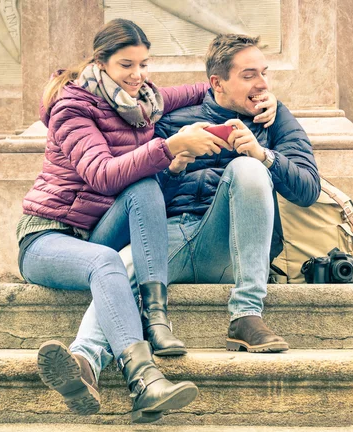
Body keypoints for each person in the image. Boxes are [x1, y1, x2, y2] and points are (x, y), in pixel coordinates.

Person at [17, 21, 277, 422]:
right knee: (108, 262)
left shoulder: (145, 100)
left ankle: (156, 318)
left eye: (143, 64)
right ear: (100, 63)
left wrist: (268, 100)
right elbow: (101, 174)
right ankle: (142, 379)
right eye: (126, 65)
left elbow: (208, 89)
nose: (137, 75)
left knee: (144, 189)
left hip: (97, 231)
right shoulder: (74, 108)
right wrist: (169, 146)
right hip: (50, 236)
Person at [68, 32, 321, 396]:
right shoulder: (174, 120)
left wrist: (264, 156)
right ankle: (85, 362)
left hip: (233, 246)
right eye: (249, 75)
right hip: (175, 239)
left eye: (264, 73)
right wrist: (174, 166)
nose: (262, 84)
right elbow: (143, 192)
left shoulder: (274, 119)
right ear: (217, 83)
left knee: (248, 171)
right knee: (120, 264)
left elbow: (308, 189)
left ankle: (247, 315)